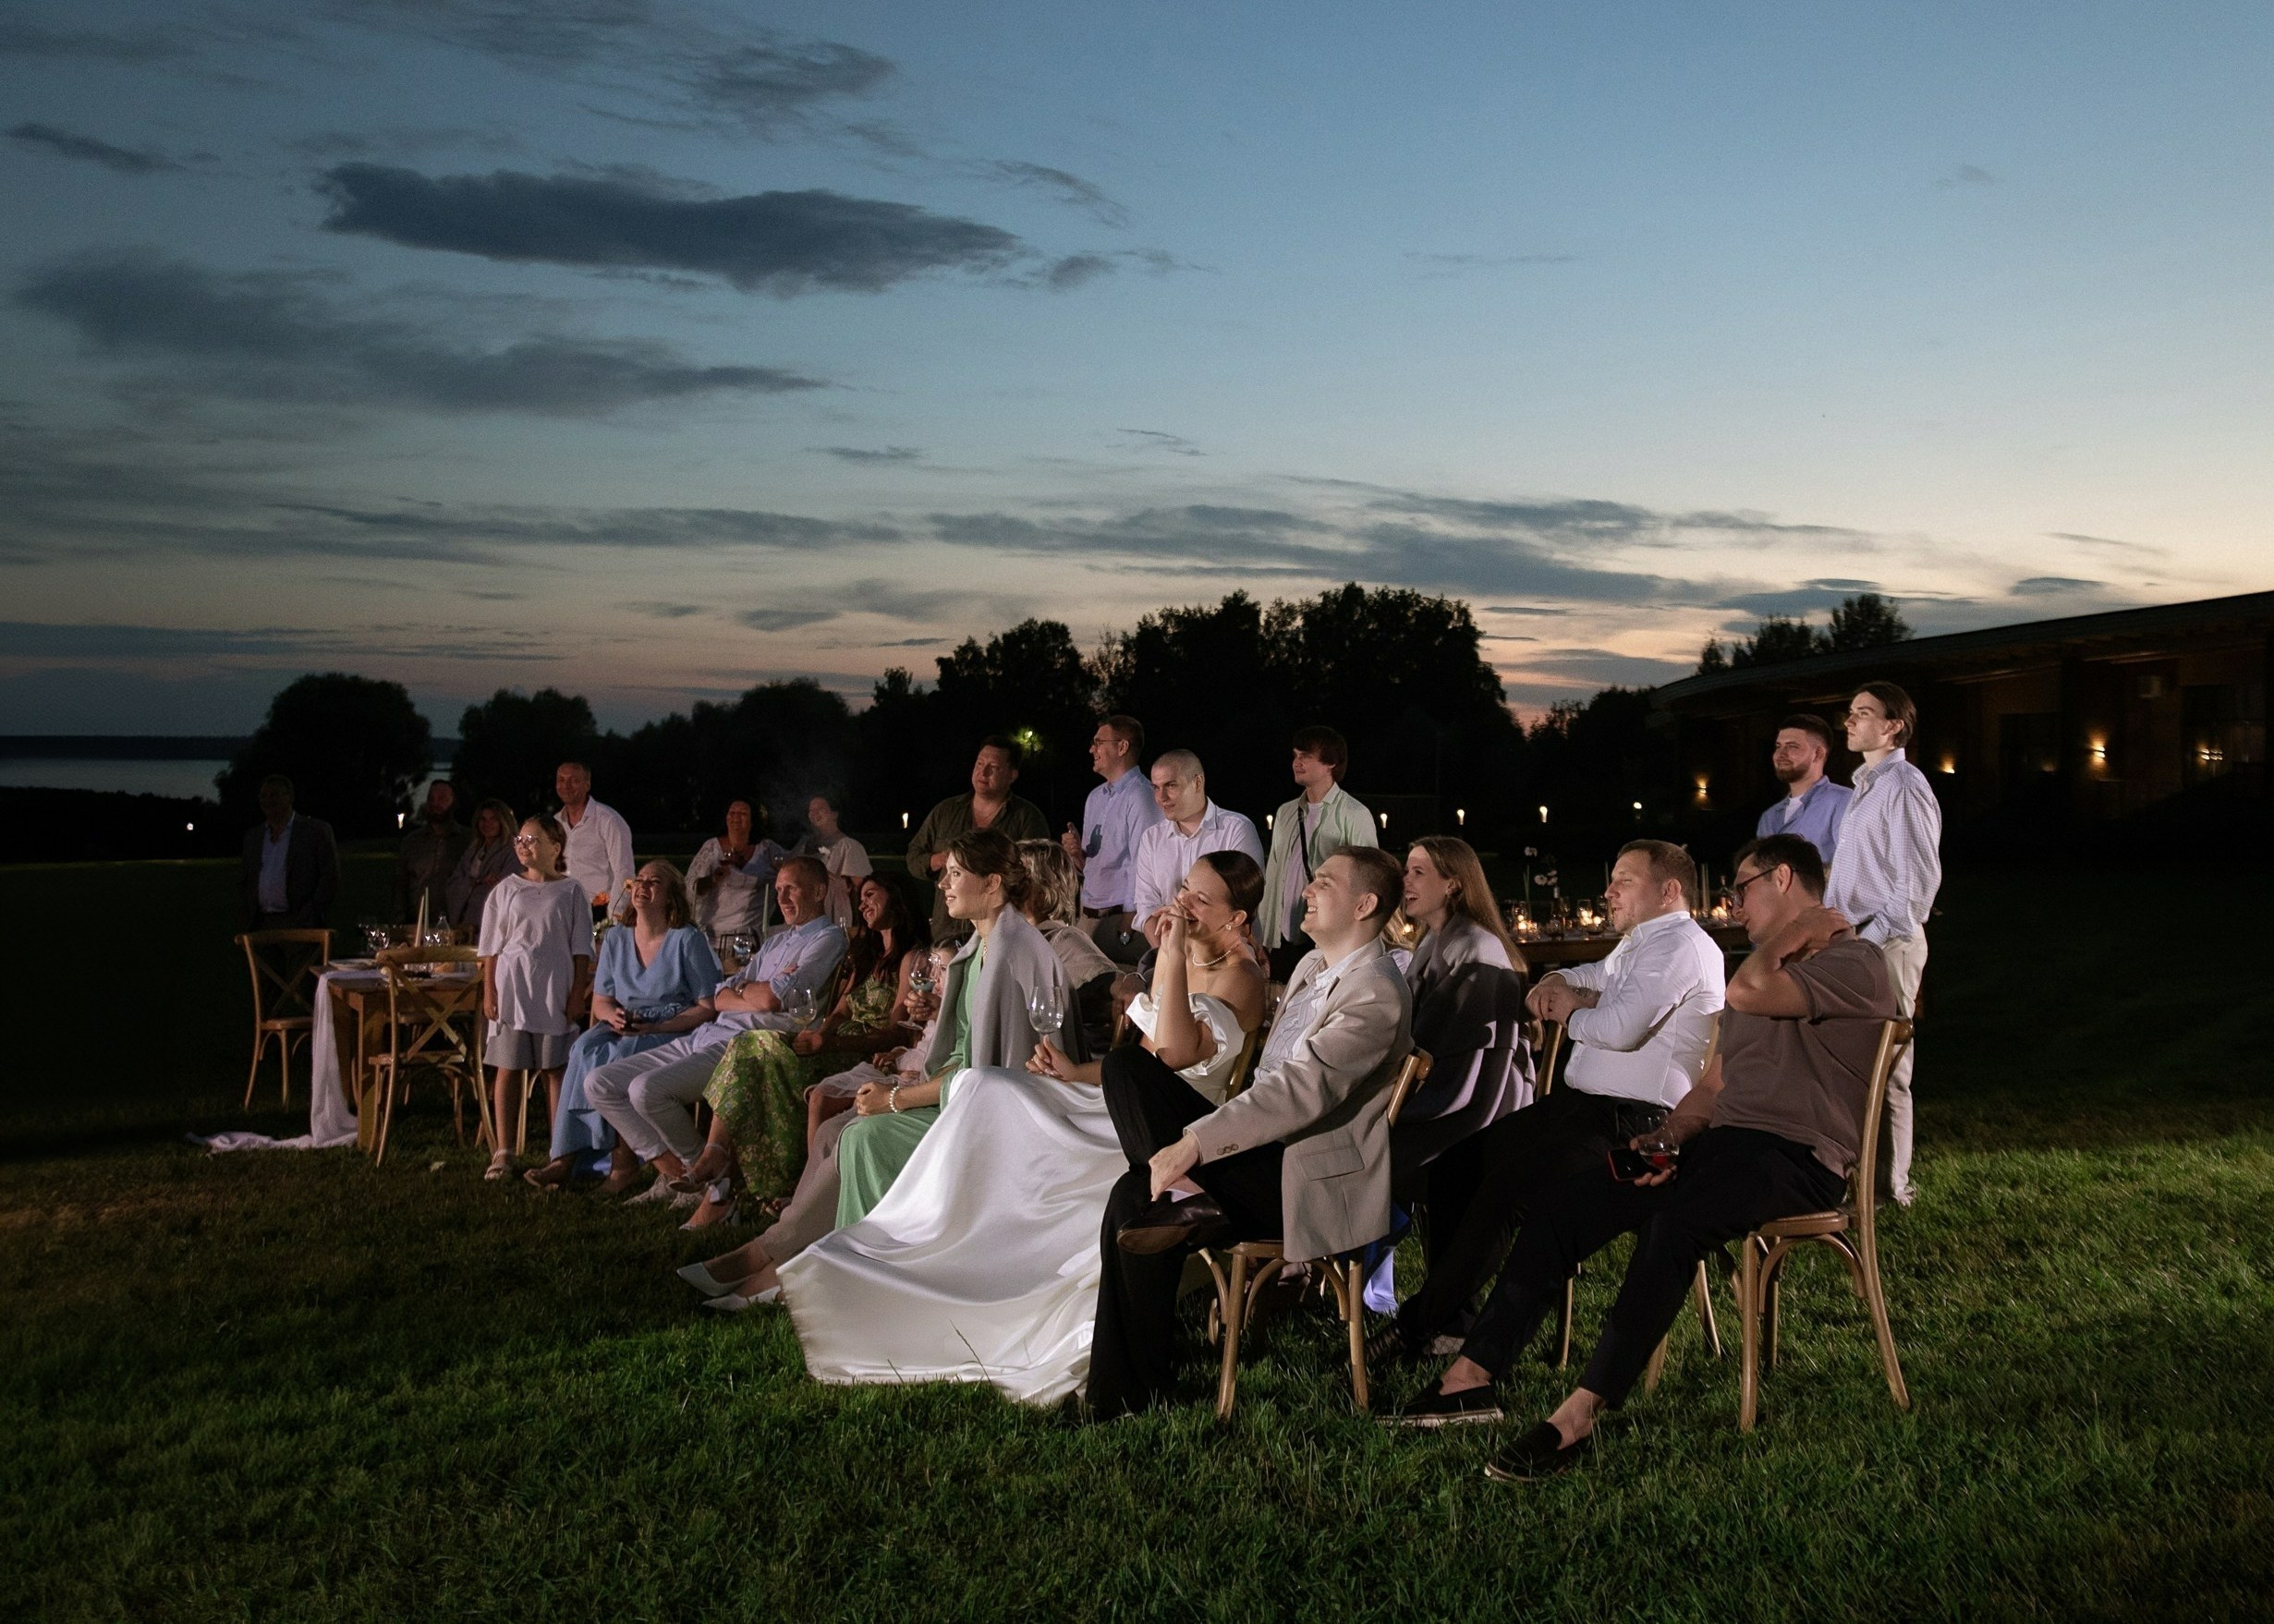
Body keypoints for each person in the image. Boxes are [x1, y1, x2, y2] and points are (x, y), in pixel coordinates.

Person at [1392, 833, 1895, 1483]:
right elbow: (1714, 1084)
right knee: (1565, 1206)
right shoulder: (1766, 968)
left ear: (1783, 879)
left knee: (1671, 1225)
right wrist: (1672, 1135)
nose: (1731, 903)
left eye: (1741, 888)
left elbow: (1745, 992)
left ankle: (1577, 1415)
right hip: (1720, 1145)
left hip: (1799, 1158)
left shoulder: (1851, 965)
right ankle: (1472, 1374)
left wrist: (1795, 933)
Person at [776, 853, 1267, 1405]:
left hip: (1166, 1133)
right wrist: (1070, 1071)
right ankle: (935, 1234)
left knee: (987, 1091)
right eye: (1184, 889)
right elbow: (1134, 1066)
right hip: (1118, 1104)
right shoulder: (1186, 961)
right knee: (982, 1085)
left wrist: (1170, 953)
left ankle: (987, 1265)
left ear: (1238, 919)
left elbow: (1173, 1055)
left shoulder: (1242, 977)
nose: (1183, 903)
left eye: (1201, 899)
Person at [1087, 846, 1412, 1420]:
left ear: (1364, 904)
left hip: (1303, 1181)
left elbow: (1298, 1094)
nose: (1307, 890)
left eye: (1325, 883)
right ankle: (1127, 1395)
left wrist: (1193, 1144)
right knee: (1128, 1096)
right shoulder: (1314, 968)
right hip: (1264, 1159)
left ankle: (1123, 1397)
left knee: (1143, 1191)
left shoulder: (1376, 993)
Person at [1371, 841, 1723, 1368]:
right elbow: (1586, 979)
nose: (1608, 890)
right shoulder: (1639, 944)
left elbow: (1621, 1030)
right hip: (1580, 1106)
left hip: (1634, 1124)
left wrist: (1569, 1013)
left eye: (1624, 880)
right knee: (1455, 1168)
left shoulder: (1682, 947)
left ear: (1669, 890)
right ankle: (1451, 1323)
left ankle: (1418, 1326)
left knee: (1505, 1192)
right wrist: (1564, 985)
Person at [832, 830, 1080, 1227]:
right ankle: (876, 1255)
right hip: (968, 1097)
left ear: (992, 882)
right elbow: (965, 1054)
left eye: (955, 874)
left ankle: (885, 1262)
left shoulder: (1014, 952)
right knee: (859, 1133)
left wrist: (898, 1098)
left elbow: (999, 1075)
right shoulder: (978, 948)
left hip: (1003, 1116)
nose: (944, 884)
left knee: (867, 1139)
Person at [584, 856, 847, 1202]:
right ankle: (683, 1172)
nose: (782, 898)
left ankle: (708, 1175)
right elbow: (720, 997)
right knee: (599, 1083)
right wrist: (752, 991)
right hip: (709, 1034)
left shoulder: (827, 939)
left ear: (819, 891)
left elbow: (770, 1000)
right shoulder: (775, 941)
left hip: (744, 1046)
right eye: (779, 889)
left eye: (791, 889)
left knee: (647, 1091)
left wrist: (752, 992)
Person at [673, 873, 927, 1220]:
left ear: (896, 897)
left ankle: (731, 1171)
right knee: (747, 1046)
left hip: (863, 1052)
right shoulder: (865, 956)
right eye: (861, 899)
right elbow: (838, 1012)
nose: (863, 904)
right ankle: (721, 1161)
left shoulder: (910, 959)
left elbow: (895, 1032)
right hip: (833, 1045)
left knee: (754, 1048)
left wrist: (832, 1042)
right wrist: (818, 1036)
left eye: (871, 895)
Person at [1389, 838, 1535, 1303]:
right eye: (1405, 871)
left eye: (1417, 872)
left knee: (1365, 1145)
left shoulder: (1475, 947)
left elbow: (1447, 1044)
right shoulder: (1434, 938)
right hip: (1443, 1080)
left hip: (1475, 1099)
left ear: (1453, 883)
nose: (1404, 882)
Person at [522, 861, 721, 1192]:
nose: (642, 886)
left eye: (654, 882)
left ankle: (623, 1163)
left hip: (673, 1028)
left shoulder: (686, 939)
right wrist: (612, 1015)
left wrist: (664, 1025)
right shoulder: (616, 938)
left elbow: (707, 1007)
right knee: (584, 1048)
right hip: (626, 1022)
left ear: (671, 897)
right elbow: (601, 1000)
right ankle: (566, 1157)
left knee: (620, 1056)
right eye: (638, 880)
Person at [1823, 682, 1942, 1207]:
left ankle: (1890, 1189)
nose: (1850, 721)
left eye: (1863, 713)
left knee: (1889, 1069)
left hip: (1886, 942)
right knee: (1856, 1065)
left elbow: (1915, 885)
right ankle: (1857, 1179)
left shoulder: (1904, 785)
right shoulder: (1865, 787)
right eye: (1850, 713)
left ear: (1893, 725)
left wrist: (1867, 941)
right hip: (1856, 942)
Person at [476, 815, 594, 1182]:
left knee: (555, 1070)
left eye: (532, 839)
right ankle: (504, 1151)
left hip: (553, 989)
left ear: (554, 848)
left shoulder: (571, 891)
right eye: (520, 839)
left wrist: (577, 993)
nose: (523, 845)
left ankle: (559, 1152)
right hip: (514, 989)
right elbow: (491, 948)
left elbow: (580, 949)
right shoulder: (506, 890)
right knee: (508, 1068)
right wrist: (489, 990)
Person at [1259, 726, 1379, 980]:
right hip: (1282, 937)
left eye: (1306, 756)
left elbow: (1370, 879)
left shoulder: (1353, 814)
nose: (1296, 762)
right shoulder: (1286, 812)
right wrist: (1264, 935)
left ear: (1331, 763)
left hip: (1327, 937)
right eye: (1295, 755)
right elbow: (1274, 873)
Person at [904, 736, 1050, 941]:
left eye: (994, 767)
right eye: (980, 764)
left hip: (999, 935)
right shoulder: (945, 812)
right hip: (947, 932)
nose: (983, 772)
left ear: (1012, 775)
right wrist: (938, 860)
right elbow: (913, 857)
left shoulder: (1027, 817)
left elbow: (1039, 876)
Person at [1129, 749, 1266, 948]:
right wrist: (1166, 955)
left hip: (1227, 954)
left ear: (1198, 782)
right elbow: (1146, 905)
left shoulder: (1236, 829)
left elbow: (1241, 901)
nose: (1161, 797)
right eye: (1156, 788)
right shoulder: (1151, 838)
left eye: (1171, 785)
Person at [1060, 714, 1163, 964]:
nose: (1091, 749)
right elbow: (1094, 867)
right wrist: (1076, 856)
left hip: (1119, 919)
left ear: (1122, 746)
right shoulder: (1095, 797)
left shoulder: (1141, 795)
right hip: (1088, 918)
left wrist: (1129, 919)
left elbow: (1144, 861)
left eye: (1098, 742)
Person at [1016, 838, 1119, 1054]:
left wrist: (1126, 984)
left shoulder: (1064, 938)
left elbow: (1109, 982)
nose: (1010, 886)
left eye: (1021, 878)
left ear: (1045, 887)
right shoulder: (1016, 939)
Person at [238, 774, 339, 930]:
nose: (268, 800)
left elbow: (330, 876)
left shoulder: (315, 832)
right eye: (263, 796)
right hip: (262, 925)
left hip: (301, 925)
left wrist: (311, 913)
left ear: (290, 798)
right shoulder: (253, 837)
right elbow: (246, 880)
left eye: (274, 795)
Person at [1755, 714, 1851, 867]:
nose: (1780, 755)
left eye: (1792, 746)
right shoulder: (1769, 817)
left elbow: (1853, 867)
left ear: (1818, 754)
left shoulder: (1843, 802)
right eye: (1778, 746)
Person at [687, 800, 776, 939]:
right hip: (714, 933)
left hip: (751, 934)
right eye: (732, 813)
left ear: (753, 821)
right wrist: (713, 879)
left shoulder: (766, 849)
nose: (736, 817)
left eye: (743, 814)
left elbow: (791, 867)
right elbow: (692, 889)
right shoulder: (712, 848)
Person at [554, 760, 634, 915]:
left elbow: (625, 872)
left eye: (574, 780)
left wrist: (615, 915)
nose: (566, 785)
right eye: (561, 780)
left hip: (599, 909)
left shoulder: (608, 820)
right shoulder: (555, 823)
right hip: (562, 910)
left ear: (587, 785)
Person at [395, 780, 468, 926]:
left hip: (456, 925)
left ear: (453, 802)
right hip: (416, 924)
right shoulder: (411, 842)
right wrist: (399, 919)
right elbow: (400, 884)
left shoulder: (468, 841)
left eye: (441, 799)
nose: (435, 804)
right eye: (431, 799)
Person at [445, 798, 519, 935]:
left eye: (493, 819)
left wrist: (478, 885)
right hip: (464, 922)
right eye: (483, 819)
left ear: (503, 821)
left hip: (491, 924)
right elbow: (453, 882)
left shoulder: (513, 851)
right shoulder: (473, 850)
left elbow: (508, 886)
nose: (487, 824)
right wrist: (477, 882)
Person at [799, 793, 873, 930]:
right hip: (804, 915)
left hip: (833, 915)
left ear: (834, 814)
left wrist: (859, 928)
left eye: (820, 808)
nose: (814, 813)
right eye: (811, 810)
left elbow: (861, 889)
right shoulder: (804, 844)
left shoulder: (848, 846)